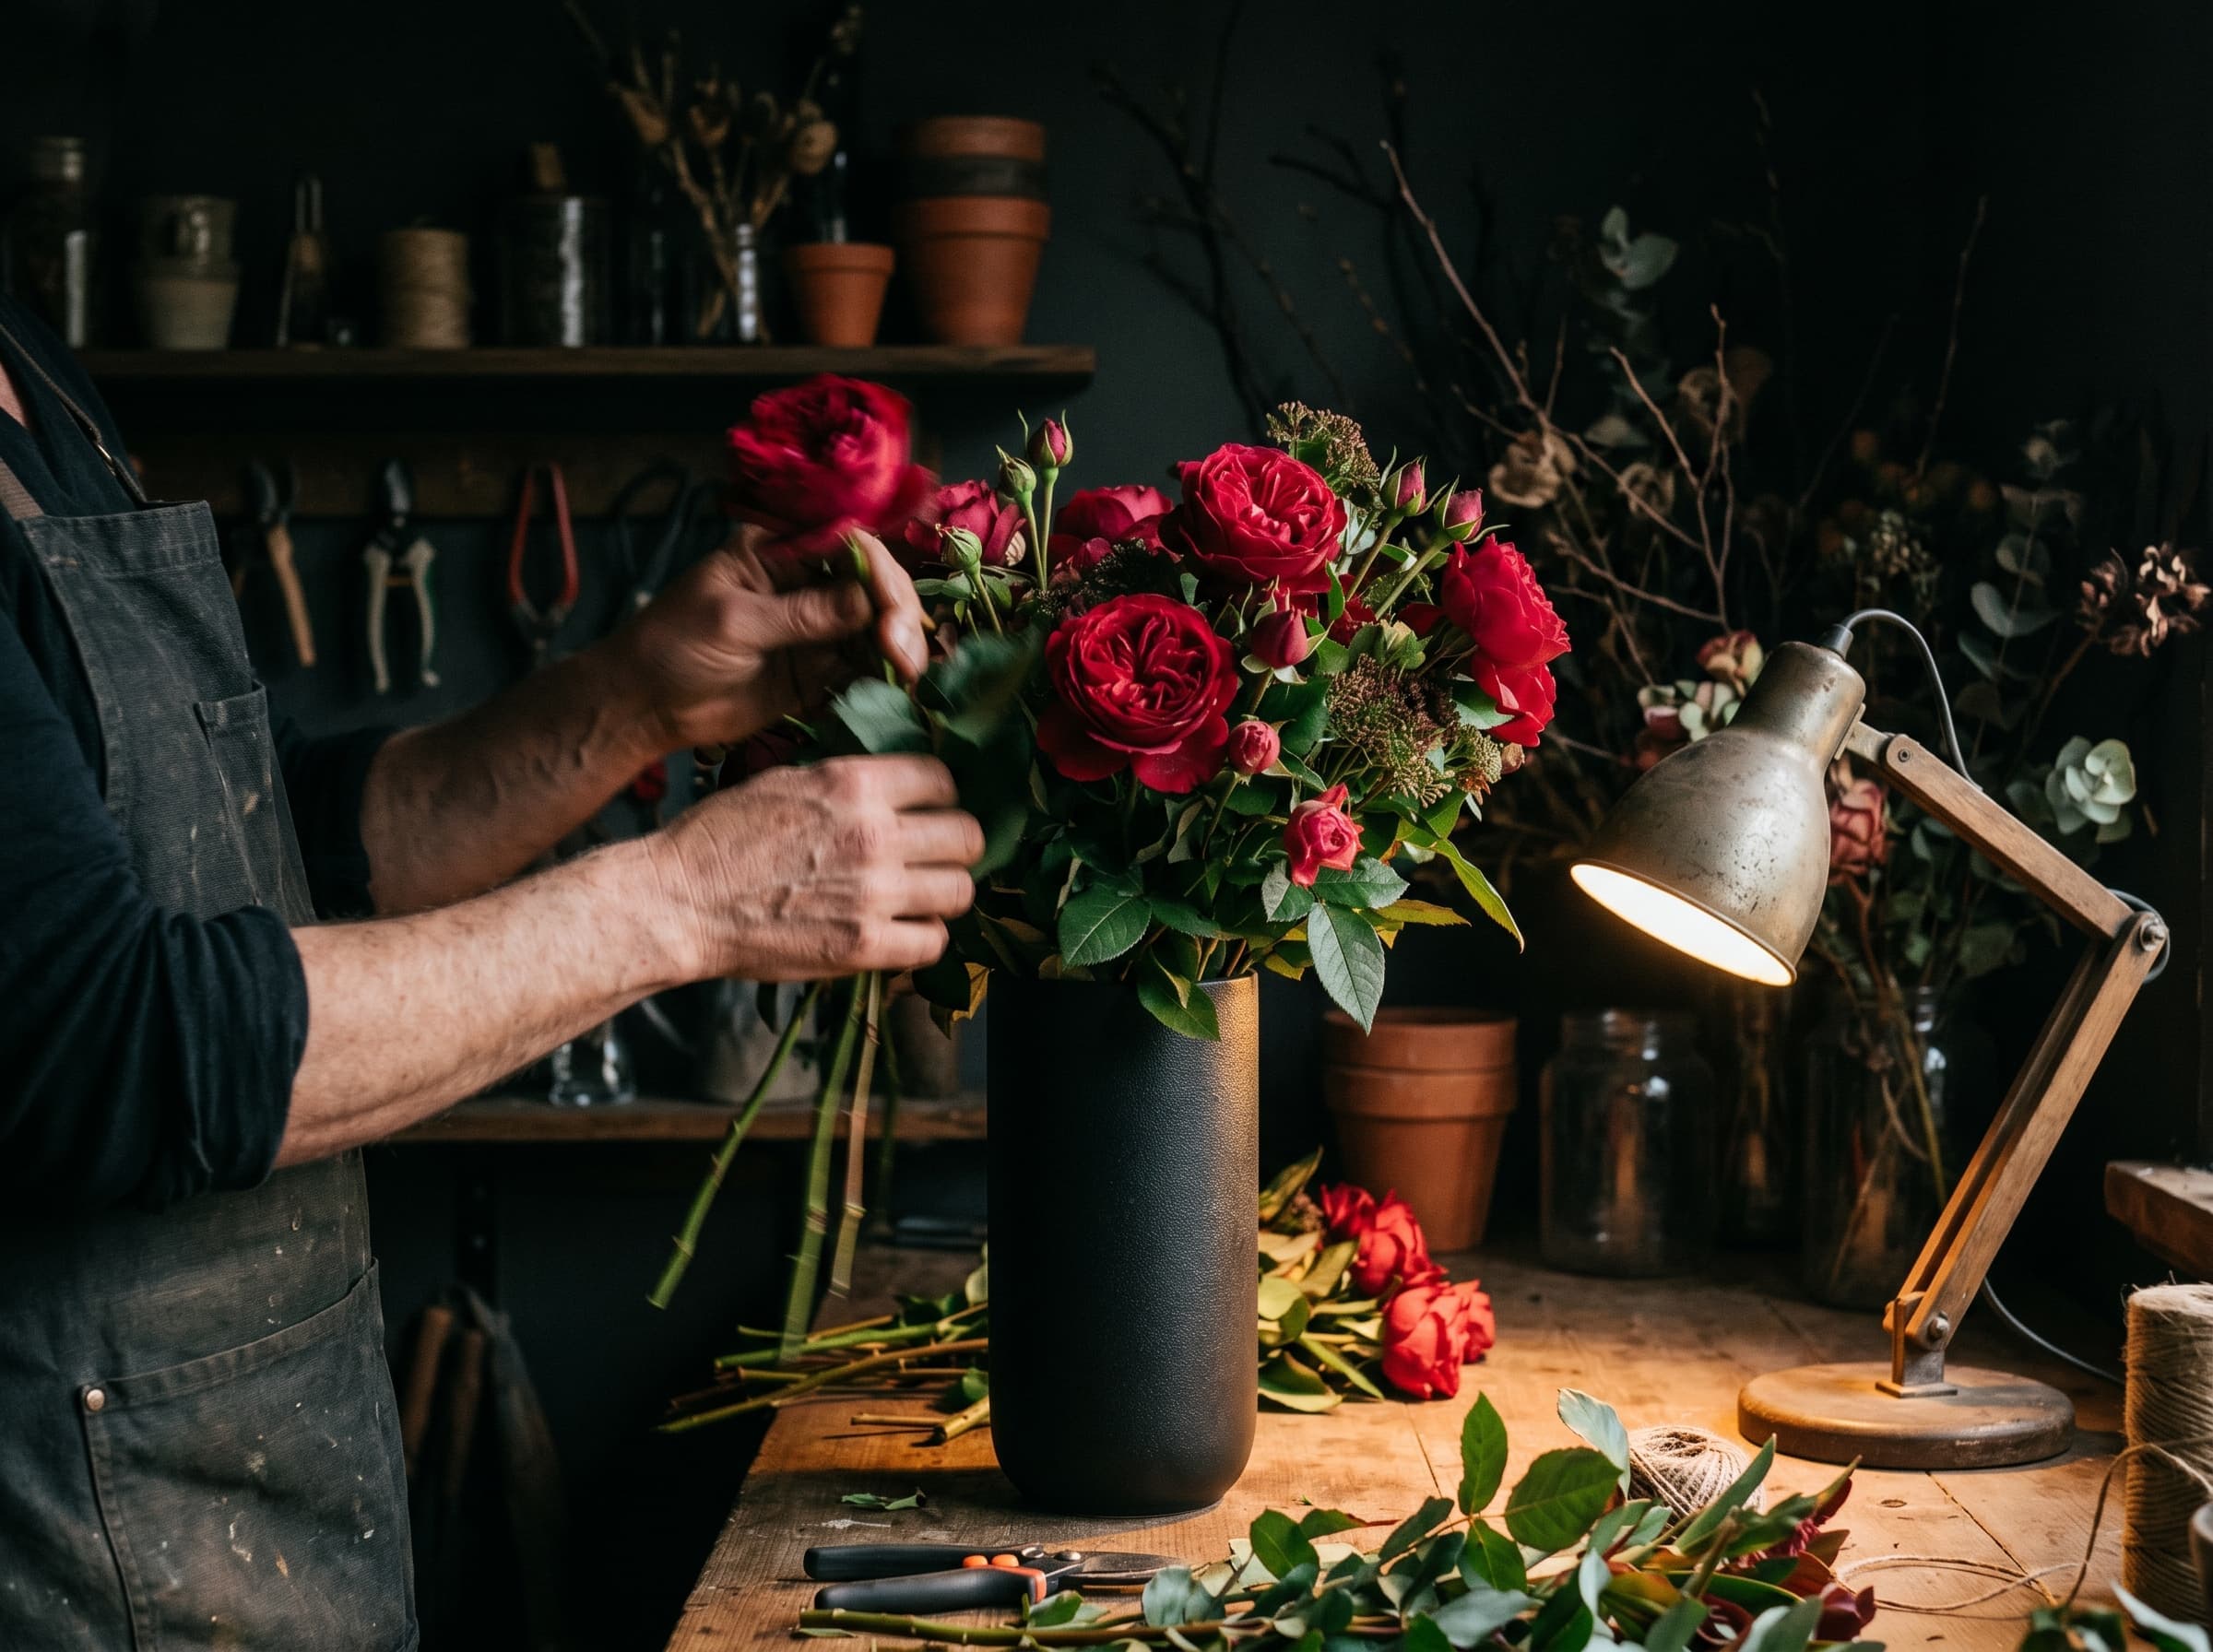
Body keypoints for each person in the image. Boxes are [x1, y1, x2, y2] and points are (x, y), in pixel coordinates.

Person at [0, 292, 980, 1648]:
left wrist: (632, 700)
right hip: (69, 1562)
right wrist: (681, 901)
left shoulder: (30, 362)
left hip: (265, 1504)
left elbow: (276, 849)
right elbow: (93, 1041)